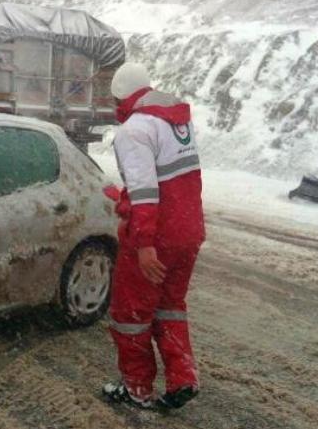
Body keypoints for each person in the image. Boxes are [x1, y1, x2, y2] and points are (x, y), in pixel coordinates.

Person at [102, 62, 206, 410]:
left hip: (156, 238)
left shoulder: (133, 130)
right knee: (169, 307)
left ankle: (137, 389)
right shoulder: (177, 122)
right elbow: (173, 184)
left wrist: (144, 244)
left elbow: (147, 192)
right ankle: (183, 377)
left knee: (130, 315)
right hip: (188, 232)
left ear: (120, 97)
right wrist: (125, 198)